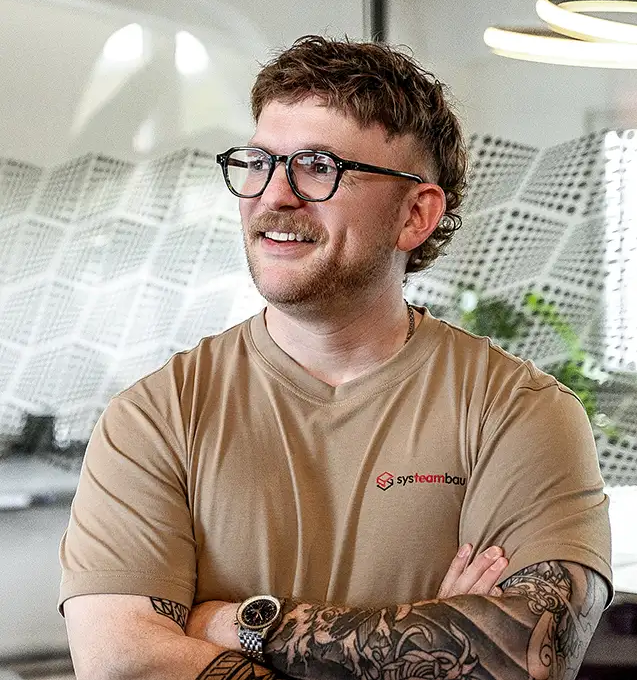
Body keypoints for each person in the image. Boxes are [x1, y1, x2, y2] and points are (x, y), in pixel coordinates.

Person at [60, 36, 612, 680]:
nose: (274, 196)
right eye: (259, 163)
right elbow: (124, 662)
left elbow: (522, 659)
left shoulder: (516, 413)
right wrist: (439, 635)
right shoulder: (157, 417)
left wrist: (239, 624)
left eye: (318, 166)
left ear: (415, 214)